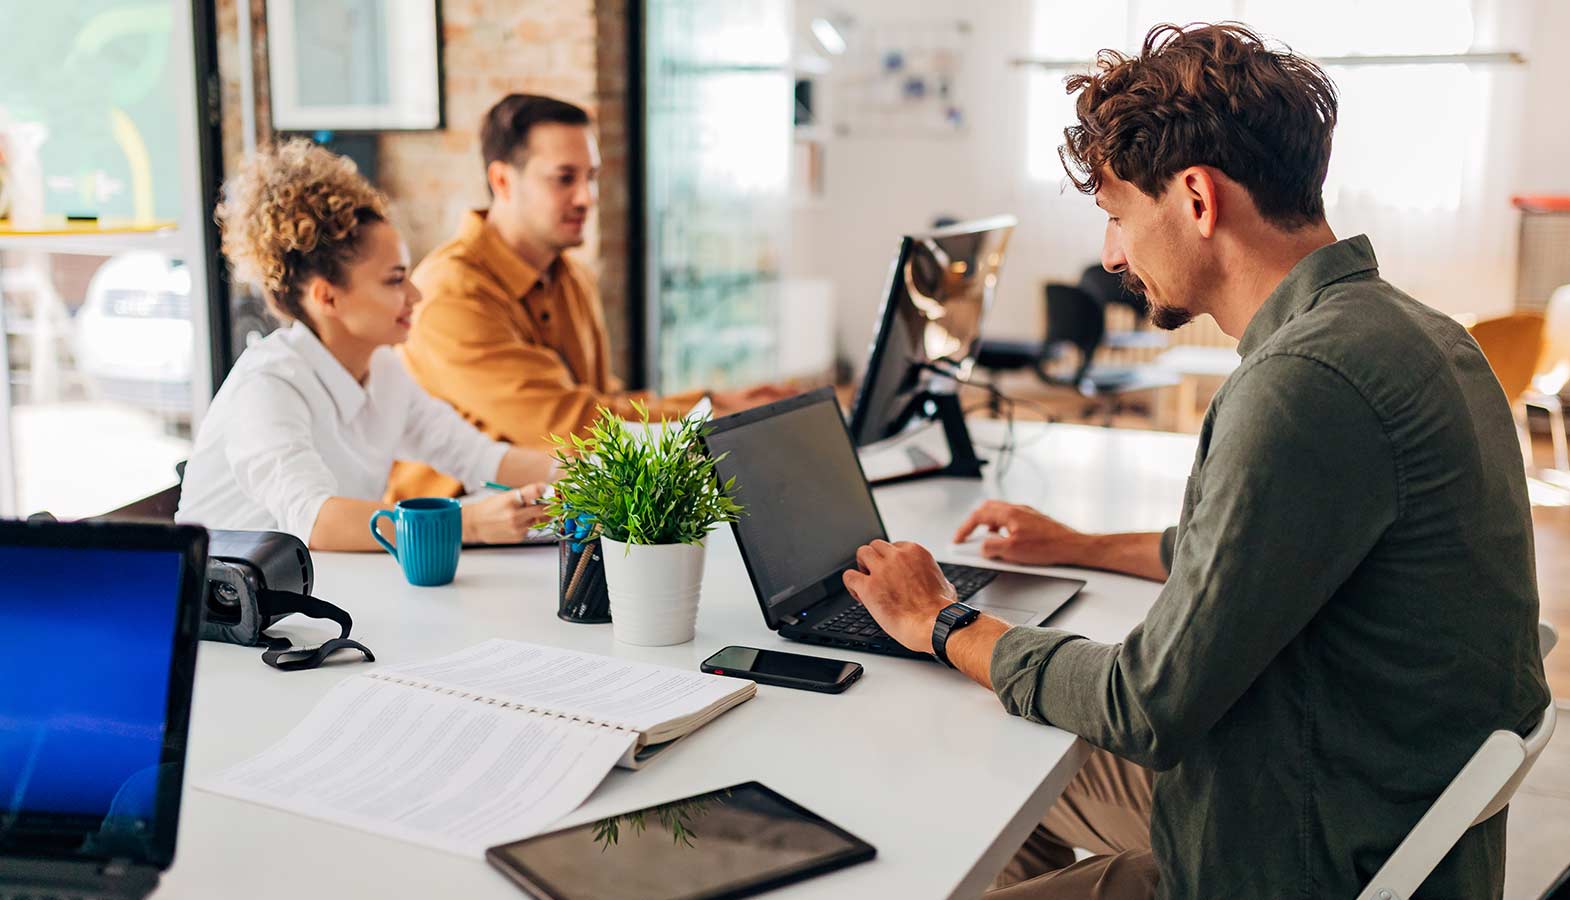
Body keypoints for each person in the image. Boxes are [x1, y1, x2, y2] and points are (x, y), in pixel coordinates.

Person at [840, 23, 1550, 900]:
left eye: (1116, 216)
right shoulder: (1415, 334)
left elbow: (1148, 705)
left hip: (1298, 847)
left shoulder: (1301, 383)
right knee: (1000, 750)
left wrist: (943, 624)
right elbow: (1257, 552)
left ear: (1197, 200)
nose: (1110, 254)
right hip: (1363, 791)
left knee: (981, 727)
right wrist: (1081, 546)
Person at [389, 94, 794, 500]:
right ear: (502, 181)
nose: (587, 197)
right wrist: (712, 417)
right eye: (564, 178)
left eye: (592, 176)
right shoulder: (450, 294)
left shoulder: (571, 276)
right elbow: (573, 425)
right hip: (463, 534)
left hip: (561, 514)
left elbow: (602, 404)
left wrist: (713, 402)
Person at [177, 140, 555, 551]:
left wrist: (597, 472)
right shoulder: (267, 386)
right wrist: (470, 523)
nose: (416, 295)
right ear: (327, 298)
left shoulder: (384, 371)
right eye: (394, 280)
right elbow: (317, 520)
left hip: (323, 588)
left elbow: (480, 458)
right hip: (226, 606)